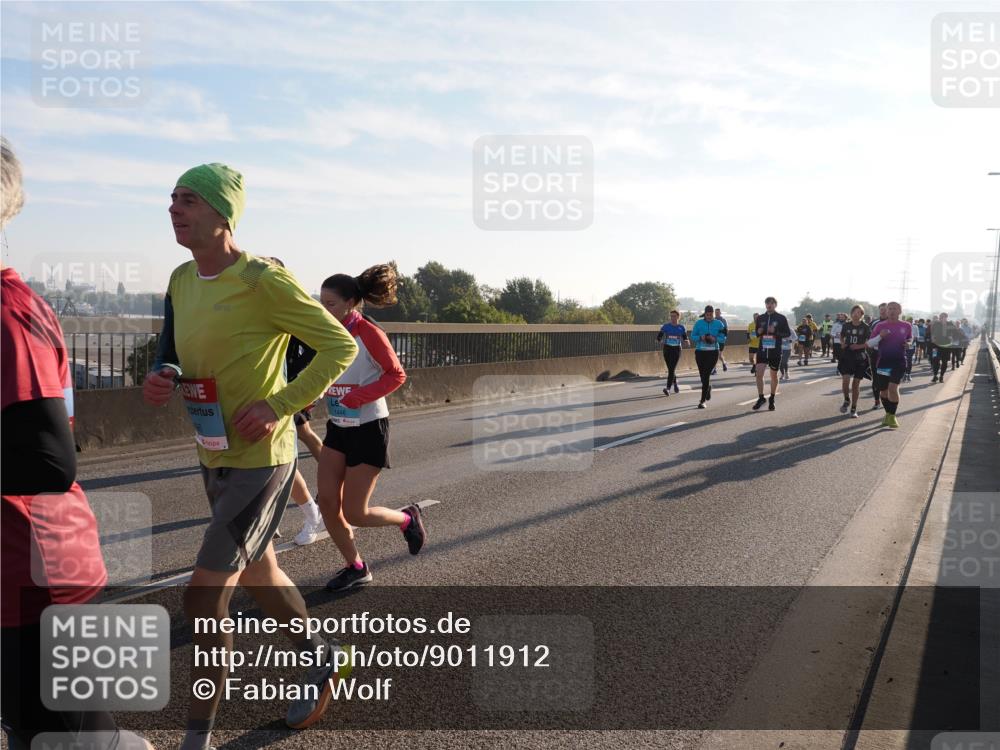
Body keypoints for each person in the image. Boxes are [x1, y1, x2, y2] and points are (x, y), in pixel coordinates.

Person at [143, 162, 359, 738]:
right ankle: (322, 656)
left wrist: (279, 405)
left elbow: (338, 345)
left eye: (188, 199)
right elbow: (172, 350)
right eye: (172, 197)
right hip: (212, 448)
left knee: (202, 597)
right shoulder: (180, 280)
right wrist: (164, 374)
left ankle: (197, 736)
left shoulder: (263, 280)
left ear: (223, 214)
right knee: (261, 572)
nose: (174, 208)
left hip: (261, 459)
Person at [317, 267, 422, 592]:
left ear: (350, 303)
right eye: (321, 303)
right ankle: (356, 567)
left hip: (368, 428)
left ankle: (407, 518)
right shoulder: (325, 331)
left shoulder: (368, 332)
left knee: (355, 513)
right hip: (338, 426)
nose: (324, 309)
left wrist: (358, 396)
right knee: (327, 503)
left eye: (330, 304)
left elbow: (396, 374)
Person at [264, 258, 326, 546]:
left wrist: (300, 386)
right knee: (267, 462)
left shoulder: (294, 308)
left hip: (284, 395)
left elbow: (326, 348)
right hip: (253, 394)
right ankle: (270, 518)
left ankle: (312, 511)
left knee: (281, 461)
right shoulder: (249, 307)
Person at [871, 302, 912, 428]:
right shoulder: (879, 325)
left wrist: (909, 344)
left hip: (899, 361)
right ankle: (888, 414)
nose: (892, 311)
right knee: (883, 391)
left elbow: (910, 338)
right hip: (883, 361)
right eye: (890, 309)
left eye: (895, 309)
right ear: (886, 311)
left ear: (900, 311)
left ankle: (892, 416)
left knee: (893, 388)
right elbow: (870, 343)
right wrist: (880, 336)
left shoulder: (906, 325)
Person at [752, 297, 791, 411]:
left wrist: (776, 332)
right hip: (763, 350)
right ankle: (761, 398)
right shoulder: (760, 318)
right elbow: (757, 333)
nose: (769, 305)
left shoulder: (781, 318)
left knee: (773, 376)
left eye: (771, 303)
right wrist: (758, 332)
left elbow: (787, 333)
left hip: (775, 351)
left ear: (775, 305)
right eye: (767, 303)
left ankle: (772, 398)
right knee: (759, 374)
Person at [838, 305, 871, 418]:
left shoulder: (865, 327)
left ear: (862, 315)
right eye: (854, 312)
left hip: (860, 357)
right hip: (847, 355)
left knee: (856, 384)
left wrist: (859, 346)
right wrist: (842, 343)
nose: (856, 314)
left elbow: (870, 342)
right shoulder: (846, 325)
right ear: (851, 313)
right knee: (845, 380)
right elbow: (841, 336)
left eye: (858, 312)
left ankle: (853, 408)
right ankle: (847, 399)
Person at [691, 305, 726, 408]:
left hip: (713, 352)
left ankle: (702, 401)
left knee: (706, 374)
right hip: (700, 352)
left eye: (711, 314)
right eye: (707, 314)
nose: (709, 316)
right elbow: (692, 336)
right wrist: (701, 337)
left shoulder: (719, 324)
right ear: (705, 314)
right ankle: (708, 387)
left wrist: (715, 339)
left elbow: (724, 337)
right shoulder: (698, 323)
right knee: (702, 375)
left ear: (713, 314)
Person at [656, 310, 687, 396]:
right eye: (671, 316)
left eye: (674, 316)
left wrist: (686, 341)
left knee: (672, 369)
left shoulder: (681, 327)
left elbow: (685, 338)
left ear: (678, 317)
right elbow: (659, 337)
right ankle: (675, 382)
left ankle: (668, 388)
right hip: (667, 349)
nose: (672, 318)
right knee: (670, 369)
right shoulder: (666, 326)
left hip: (676, 349)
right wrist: (659, 340)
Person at [867, 303, 888, 409]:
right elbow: (868, 339)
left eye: (885, 309)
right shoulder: (874, 323)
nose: (883, 311)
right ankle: (876, 401)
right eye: (881, 310)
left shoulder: (893, 323)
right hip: (875, 354)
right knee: (875, 378)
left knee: (886, 378)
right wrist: (869, 352)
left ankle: (886, 399)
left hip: (888, 355)